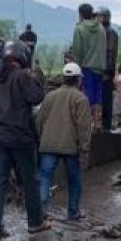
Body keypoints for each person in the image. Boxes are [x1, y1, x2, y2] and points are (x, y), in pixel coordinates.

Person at [0, 40, 48, 237]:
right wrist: (36, 78)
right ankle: (35, 223)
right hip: (21, 136)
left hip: (1, 137)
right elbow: (37, 97)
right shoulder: (22, 76)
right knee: (29, 181)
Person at [36, 62, 93, 221]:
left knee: (45, 177)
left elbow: (39, 120)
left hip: (48, 144)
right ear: (78, 80)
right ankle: (73, 212)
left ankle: (40, 211)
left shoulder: (50, 97)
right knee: (74, 180)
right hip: (70, 147)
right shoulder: (81, 99)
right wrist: (85, 149)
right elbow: (84, 127)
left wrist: (41, 138)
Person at [69, 3, 106, 128]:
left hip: (85, 67)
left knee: (85, 96)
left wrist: (76, 67)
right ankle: (96, 123)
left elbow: (77, 51)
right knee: (96, 96)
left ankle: (86, 124)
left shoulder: (79, 29)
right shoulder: (101, 28)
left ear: (80, 14)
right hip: (99, 67)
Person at [98, 7, 119, 131]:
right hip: (99, 69)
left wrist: (107, 72)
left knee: (106, 99)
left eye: (100, 16)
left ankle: (106, 125)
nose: (98, 18)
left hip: (105, 71)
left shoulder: (110, 33)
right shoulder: (100, 32)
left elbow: (110, 53)